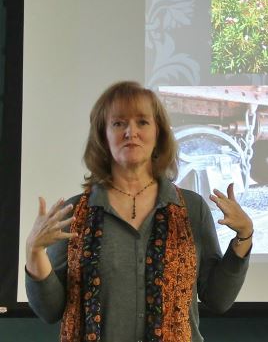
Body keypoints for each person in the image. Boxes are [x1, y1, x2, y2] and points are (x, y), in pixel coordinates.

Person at [24, 81, 253, 342]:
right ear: (103, 136)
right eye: (118, 123)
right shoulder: (75, 213)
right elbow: (50, 310)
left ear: (158, 134)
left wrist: (244, 236)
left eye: (142, 122)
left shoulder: (191, 208)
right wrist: (34, 252)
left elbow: (218, 299)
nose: (130, 132)